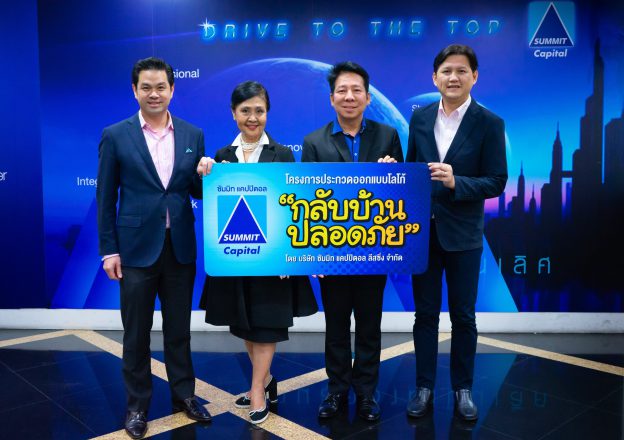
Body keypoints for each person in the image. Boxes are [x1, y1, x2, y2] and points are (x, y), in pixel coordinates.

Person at [96, 57, 211, 439]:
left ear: (172, 89)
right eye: (146, 87)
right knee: (136, 334)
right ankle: (137, 406)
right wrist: (109, 250)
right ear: (135, 90)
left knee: (179, 330)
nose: (154, 93)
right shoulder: (116, 135)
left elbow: (195, 192)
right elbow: (105, 197)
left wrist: (205, 174)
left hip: (179, 247)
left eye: (161, 87)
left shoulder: (193, 134)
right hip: (134, 250)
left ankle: (184, 396)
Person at [196, 81, 318, 425]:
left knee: (266, 325)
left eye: (259, 111)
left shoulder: (283, 154)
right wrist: (203, 175)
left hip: (272, 259)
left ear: (268, 113)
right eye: (245, 110)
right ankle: (266, 380)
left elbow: (293, 206)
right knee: (246, 326)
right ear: (233, 113)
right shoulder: (221, 156)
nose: (253, 117)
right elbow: (209, 201)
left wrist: (286, 253)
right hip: (234, 256)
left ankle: (257, 390)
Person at [405, 44, 508, 421]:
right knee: (425, 315)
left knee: (464, 317)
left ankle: (463, 390)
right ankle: (423, 388)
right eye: (446, 71)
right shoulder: (420, 119)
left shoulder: (490, 123)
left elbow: (496, 181)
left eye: (462, 71)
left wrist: (456, 182)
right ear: (434, 77)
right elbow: (411, 171)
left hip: (464, 236)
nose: (453, 77)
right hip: (423, 234)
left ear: (474, 77)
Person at [301, 61, 403, 422]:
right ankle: (336, 391)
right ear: (332, 98)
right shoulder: (314, 142)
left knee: (370, 325)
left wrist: (393, 173)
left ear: (368, 97)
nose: (349, 96)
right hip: (331, 251)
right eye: (342, 90)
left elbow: (399, 194)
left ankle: (366, 394)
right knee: (337, 326)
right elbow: (307, 203)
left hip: (374, 249)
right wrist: (314, 255)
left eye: (356, 90)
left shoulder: (388, 135)